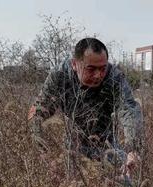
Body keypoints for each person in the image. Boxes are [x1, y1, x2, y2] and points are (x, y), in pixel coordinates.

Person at [28, 37, 143, 178]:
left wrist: (133, 149)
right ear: (75, 64)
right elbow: (38, 111)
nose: (98, 75)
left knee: (125, 184)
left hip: (107, 143)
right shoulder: (60, 76)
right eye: (91, 69)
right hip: (73, 145)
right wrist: (45, 153)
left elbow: (129, 110)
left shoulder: (114, 76)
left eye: (102, 68)